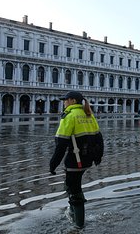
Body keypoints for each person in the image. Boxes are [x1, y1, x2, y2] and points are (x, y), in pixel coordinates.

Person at [49, 91, 104, 228]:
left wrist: (53, 164)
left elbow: (61, 144)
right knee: (70, 185)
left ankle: (78, 225)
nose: (64, 102)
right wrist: (98, 157)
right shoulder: (89, 114)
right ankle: (73, 213)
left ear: (72, 101)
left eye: (65, 100)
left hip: (75, 160)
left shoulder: (70, 115)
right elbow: (99, 139)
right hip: (87, 159)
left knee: (74, 190)